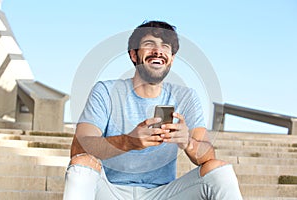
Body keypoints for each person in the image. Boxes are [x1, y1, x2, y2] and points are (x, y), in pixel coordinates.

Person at [63, 20, 243, 200]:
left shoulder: (186, 96)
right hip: (110, 191)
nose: (158, 51)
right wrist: (128, 141)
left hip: (163, 194)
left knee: (219, 171)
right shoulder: (105, 91)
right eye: (149, 44)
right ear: (134, 55)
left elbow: (208, 156)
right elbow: (78, 149)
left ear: (171, 59)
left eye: (165, 46)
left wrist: (187, 142)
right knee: (81, 164)